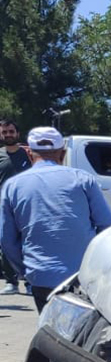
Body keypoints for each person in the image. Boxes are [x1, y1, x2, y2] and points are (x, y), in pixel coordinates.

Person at [0, 127, 111, 312]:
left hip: (40, 275)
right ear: (63, 153)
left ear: (29, 153)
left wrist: (25, 270)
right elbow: (108, 225)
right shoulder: (83, 179)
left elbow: (7, 240)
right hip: (81, 276)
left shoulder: (12, 186)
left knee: (49, 329)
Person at [0, 118, 32, 295]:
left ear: (17, 134)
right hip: (3, 207)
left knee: (28, 244)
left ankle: (29, 283)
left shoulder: (29, 154)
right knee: (6, 244)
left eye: (11, 131)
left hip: (26, 205)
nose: (8, 135)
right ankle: (11, 282)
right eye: (4, 132)